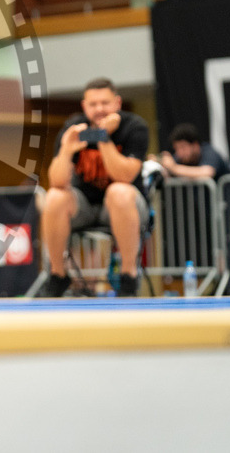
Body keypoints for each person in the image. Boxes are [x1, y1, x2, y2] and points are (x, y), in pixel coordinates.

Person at [42, 78, 149, 297]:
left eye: (105, 103)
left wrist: (103, 137)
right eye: (93, 104)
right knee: (54, 197)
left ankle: (129, 276)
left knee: (118, 192)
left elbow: (124, 176)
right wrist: (66, 150)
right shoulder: (74, 128)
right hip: (85, 207)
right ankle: (58, 275)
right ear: (84, 106)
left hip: (126, 207)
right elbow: (56, 181)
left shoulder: (134, 126)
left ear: (117, 103)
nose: (99, 109)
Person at [154, 123, 230, 181]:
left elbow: (208, 172)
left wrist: (174, 168)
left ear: (195, 145)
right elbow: (167, 171)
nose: (179, 153)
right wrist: (159, 164)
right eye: (176, 149)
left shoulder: (209, 152)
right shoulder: (180, 158)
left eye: (182, 147)